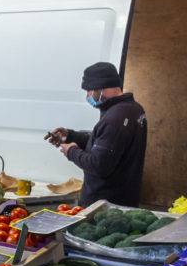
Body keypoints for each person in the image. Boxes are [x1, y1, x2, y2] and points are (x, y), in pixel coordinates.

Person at [49, 61, 148, 207]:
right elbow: (107, 144)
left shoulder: (115, 118)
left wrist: (71, 151)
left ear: (100, 88)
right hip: (124, 198)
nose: (88, 96)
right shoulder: (134, 109)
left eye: (89, 91)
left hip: (105, 206)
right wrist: (71, 136)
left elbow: (99, 165)